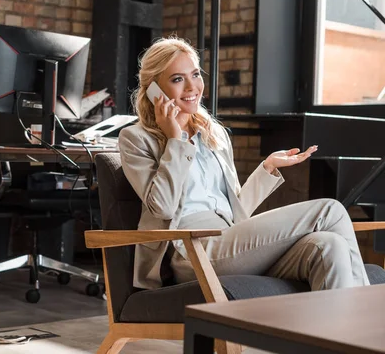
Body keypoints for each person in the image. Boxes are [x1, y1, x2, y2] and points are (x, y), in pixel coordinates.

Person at [118, 36, 369, 291]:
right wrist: (175, 140)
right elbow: (163, 208)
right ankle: (368, 319)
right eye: (177, 79)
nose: (192, 87)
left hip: (233, 241)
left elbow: (236, 211)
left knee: (329, 246)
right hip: (193, 250)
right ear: (154, 89)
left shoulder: (213, 134)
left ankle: (333, 330)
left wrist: (267, 168)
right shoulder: (136, 139)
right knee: (330, 210)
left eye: (195, 74)